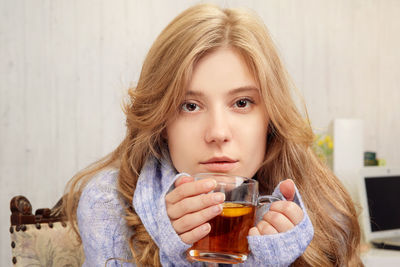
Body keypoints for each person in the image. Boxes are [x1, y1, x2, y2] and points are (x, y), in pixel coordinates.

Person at [62, 3, 362, 266]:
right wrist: (176, 253)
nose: (218, 133)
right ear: (162, 121)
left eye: (242, 103)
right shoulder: (109, 201)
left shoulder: (319, 205)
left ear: (271, 116)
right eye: (190, 105)